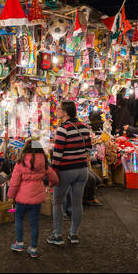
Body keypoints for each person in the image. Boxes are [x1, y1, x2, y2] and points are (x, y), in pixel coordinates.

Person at [49, 100, 92, 245]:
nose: (57, 111)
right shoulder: (84, 127)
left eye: (59, 109)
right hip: (82, 170)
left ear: (65, 112)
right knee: (77, 203)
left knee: (57, 202)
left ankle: (58, 235)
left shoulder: (63, 128)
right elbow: (88, 150)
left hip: (66, 170)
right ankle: (73, 234)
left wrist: (53, 172)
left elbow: (57, 154)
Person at [8, 139, 59, 258]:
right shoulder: (44, 162)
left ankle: (19, 243)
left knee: (19, 220)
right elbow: (54, 178)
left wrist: (11, 196)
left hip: (22, 198)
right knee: (34, 223)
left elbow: (14, 183)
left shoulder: (20, 162)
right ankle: (33, 248)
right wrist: (51, 185)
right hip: (36, 199)